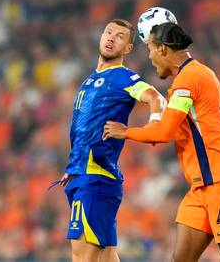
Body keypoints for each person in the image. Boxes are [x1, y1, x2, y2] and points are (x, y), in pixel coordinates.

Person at [103, 23, 220, 262]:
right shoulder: (188, 79)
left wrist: (126, 132)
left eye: (151, 49)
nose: (150, 57)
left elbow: (163, 133)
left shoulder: (190, 78)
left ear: (163, 49)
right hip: (200, 187)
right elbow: (168, 128)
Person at [58, 19, 166, 262]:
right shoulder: (90, 79)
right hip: (85, 174)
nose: (110, 38)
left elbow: (155, 98)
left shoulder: (121, 77)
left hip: (94, 178)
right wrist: (74, 165)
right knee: (106, 256)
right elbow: (84, 129)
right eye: (108, 32)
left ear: (127, 48)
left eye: (119, 36)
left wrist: (154, 124)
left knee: (82, 256)